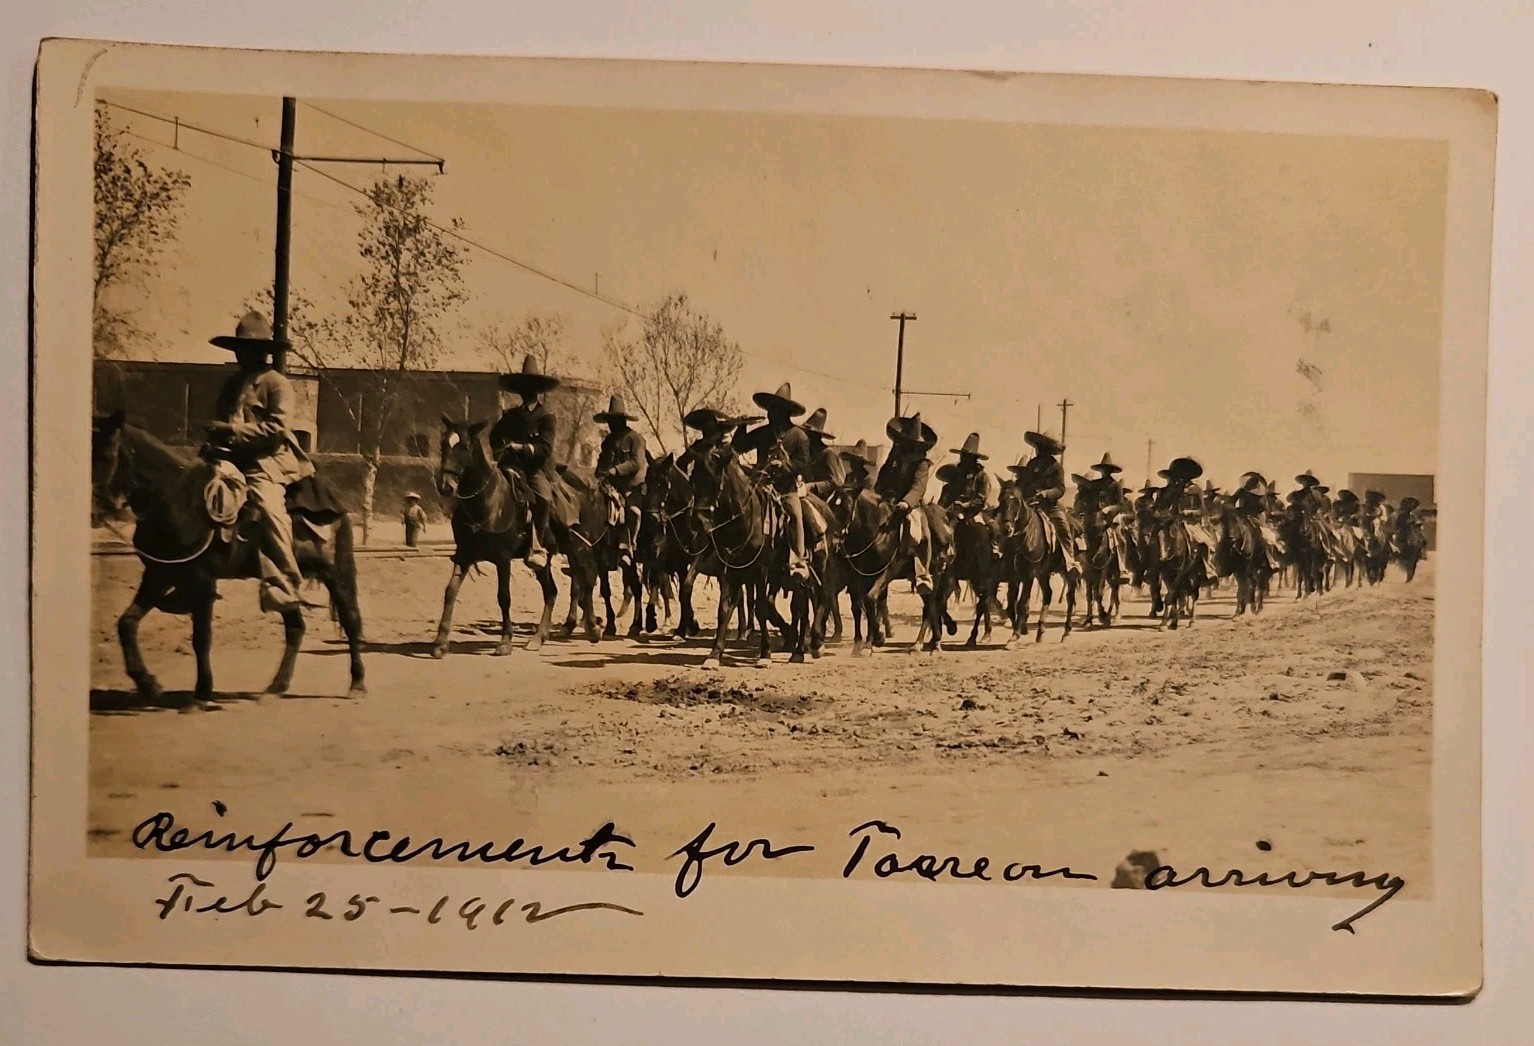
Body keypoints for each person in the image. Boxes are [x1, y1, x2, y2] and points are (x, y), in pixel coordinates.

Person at [203, 311, 315, 614]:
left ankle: (287, 582)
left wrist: (233, 430)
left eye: (249, 349)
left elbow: (278, 428)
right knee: (189, 490)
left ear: (264, 352)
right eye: (239, 349)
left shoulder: (277, 384)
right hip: (228, 458)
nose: (242, 355)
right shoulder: (231, 385)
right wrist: (214, 440)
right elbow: (223, 421)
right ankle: (191, 575)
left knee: (267, 505)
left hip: (266, 460)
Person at [732, 382, 814, 578]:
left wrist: (784, 466)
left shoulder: (799, 436)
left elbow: (804, 464)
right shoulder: (764, 433)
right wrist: (741, 428)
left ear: (784, 412)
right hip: (761, 486)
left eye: (774, 411)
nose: (770, 414)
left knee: (795, 514)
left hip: (785, 489)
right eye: (769, 410)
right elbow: (740, 446)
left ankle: (798, 559)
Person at [489, 354, 560, 570]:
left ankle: (538, 546)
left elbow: (545, 448)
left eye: (531, 387)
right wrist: (501, 448)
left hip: (534, 468)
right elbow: (494, 435)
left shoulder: (546, 417)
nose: (526, 391)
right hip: (510, 466)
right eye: (523, 387)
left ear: (538, 391)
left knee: (544, 497)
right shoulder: (510, 415)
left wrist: (521, 447)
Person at [876, 413, 939, 594]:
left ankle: (923, 575)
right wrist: (879, 493)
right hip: (888, 500)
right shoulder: (894, 457)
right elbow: (883, 476)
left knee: (922, 533)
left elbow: (919, 487)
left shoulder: (922, 463)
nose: (907, 445)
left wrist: (906, 502)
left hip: (909, 505)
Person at [1007, 429, 1079, 573]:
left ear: (1049, 449)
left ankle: (1070, 562)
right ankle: (1005, 557)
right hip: (1029, 505)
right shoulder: (1031, 464)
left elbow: (1060, 488)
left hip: (1050, 507)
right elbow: (1022, 484)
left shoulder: (1056, 467)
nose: (1038, 449)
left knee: (1063, 527)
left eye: (1042, 447)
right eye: (1038, 446)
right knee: (1010, 522)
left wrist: (1046, 493)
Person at [593, 394, 649, 566]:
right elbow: (602, 461)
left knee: (632, 512)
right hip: (611, 486)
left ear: (622, 421)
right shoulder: (608, 440)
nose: (611, 424)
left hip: (632, 487)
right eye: (610, 420)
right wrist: (600, 472)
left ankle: (628, 548)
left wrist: (615, 470)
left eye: (614, 420)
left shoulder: (635, 438)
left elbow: (636, 462)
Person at [938, 432, 999, 554]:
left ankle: (989, 558)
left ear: (974, 459)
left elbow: (980, 500)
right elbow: (945, 497)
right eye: (963, 456)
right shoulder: (955, 475)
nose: (963, 459)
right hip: (951, 512)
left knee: (982, 533)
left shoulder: (982, 477)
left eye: (967, 457)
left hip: (973, 513)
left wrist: (965, 505)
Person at [1152, 456, 1213, 575]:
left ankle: (1207, 569)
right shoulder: (1171, 490)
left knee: (1205, 541)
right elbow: (1162, 506)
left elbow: (1201, 510)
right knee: (1155, 534)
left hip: (1189, 521)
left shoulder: (1194, 489)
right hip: (1171, 520)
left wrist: (1186, 513)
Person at [801, 408, 847, 499]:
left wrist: (810, 486)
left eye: (808, 434)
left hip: (827, 501)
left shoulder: (828, 454)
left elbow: (834, 482)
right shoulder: (807, 454)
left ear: (816, 436)